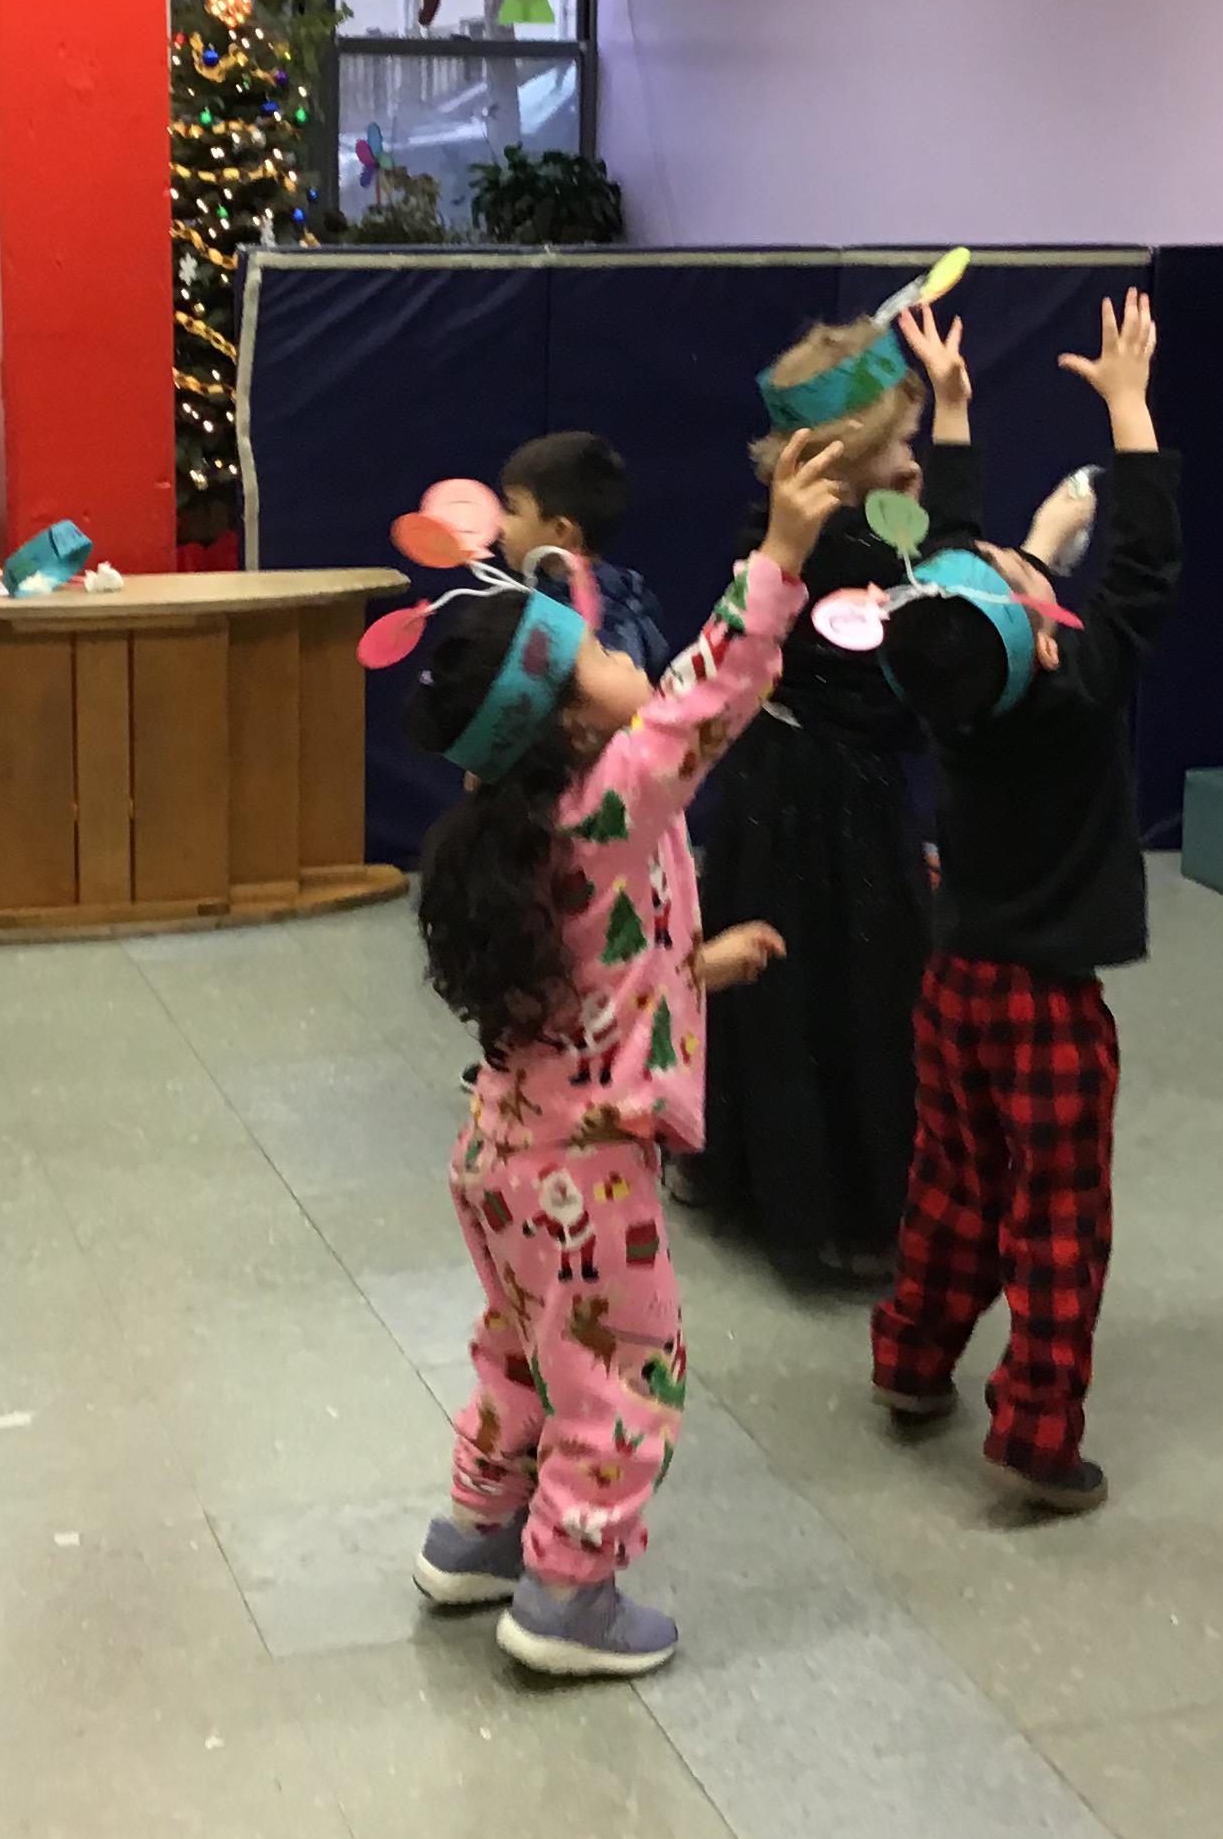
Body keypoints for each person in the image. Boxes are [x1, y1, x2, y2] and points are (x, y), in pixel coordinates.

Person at [404, 431, 844, 1680]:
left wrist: (697, 968)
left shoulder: (513, 824)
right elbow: (707, 699)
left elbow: (600, 968)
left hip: (502, 1151)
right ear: (556, 717)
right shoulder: (605, 802)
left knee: (520, 1345)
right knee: (619, 1370)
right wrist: (780, 553)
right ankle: (568, 1594)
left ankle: (477, 1531)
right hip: (588, 1171)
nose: (621, 661)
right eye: (594, 658)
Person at [867, 292, 1176, 1515]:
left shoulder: (950, 691)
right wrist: (1131, 410)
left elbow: (946, 554)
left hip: (953, 985)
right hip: (1049, 1003)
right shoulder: (1081, 689)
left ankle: (911, 1359)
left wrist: (952, 410)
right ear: (1042, 640)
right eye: (1012, 572)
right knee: (1057, 1221)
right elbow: (1144, 568)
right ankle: (1038, 1436)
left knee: (952, 1181)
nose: (1000, 553)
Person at [696, 305, 976, 1277]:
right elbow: (944, 614)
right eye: (898, 443)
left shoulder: (784, 532)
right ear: (847, 458)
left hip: (773, 783)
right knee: (854, 991)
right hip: (836, 802)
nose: (912, 458)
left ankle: (757, 1178)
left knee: (783, 995)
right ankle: (849, 1201)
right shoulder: (855, 552)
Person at [499, 430, 669, 678]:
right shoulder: (542, 591)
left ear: (561, 531)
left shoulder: (608, 615)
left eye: (513, 510)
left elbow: (612, 693)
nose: (500, 525)